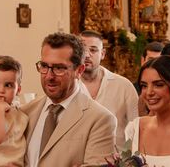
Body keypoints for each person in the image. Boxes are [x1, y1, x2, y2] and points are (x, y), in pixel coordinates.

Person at [22, 32, 116, 167]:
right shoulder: (26, 112)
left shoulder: (100, 120)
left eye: (59, 68)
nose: (49, 76)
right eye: (44, 66)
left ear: (79, 70)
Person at [79, 30, 138, 151]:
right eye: (82, 50)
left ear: (103, 54)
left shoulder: (123, 86)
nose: (87, 55)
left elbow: (138, 127)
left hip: (117, 159)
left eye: (93, 50)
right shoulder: (69, 85)